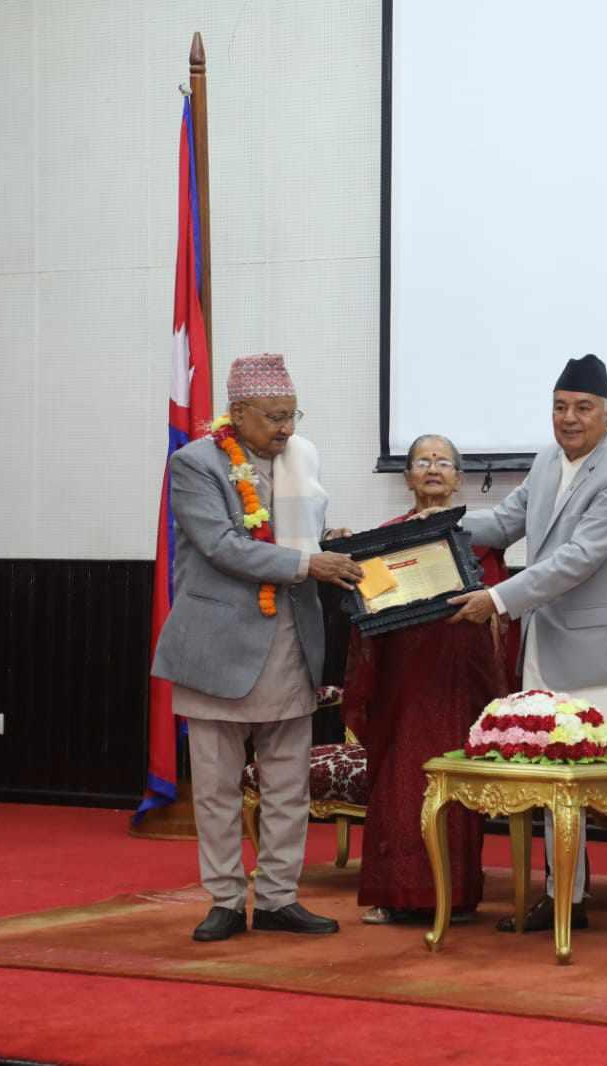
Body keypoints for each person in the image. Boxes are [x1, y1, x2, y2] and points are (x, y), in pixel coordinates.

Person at [447, 354, 607, 941]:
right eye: (560, 407)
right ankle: (561, 893)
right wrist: (428, 528)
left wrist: (496, 600)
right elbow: (505, 521)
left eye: (583, 408)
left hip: (606, 657)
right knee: (550, 778)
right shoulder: (548, 461)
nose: (569, 419)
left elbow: (575, 562)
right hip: (547, 650)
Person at [150, 353, 363, 943]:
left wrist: (329, 542)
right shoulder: (195, 464)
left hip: (290, 644)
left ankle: (277, 898)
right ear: (237, 413)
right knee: (217, 789)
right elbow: (222, 545)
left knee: (289, 784)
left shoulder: (300, 461)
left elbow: (298, 537)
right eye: (274, 418)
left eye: (292, 416)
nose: (286, 430)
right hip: (216, 649)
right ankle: (223, 899)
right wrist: (308, 561)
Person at [344, 434, 513, 925]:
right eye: (422, 461)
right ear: (407, 477)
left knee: (452, 774)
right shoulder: (385, 539)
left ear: (459, 478)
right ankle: (394, 893)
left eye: (443, 462)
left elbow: (501, 608)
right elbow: (368, 613)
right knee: (400, 778)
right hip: (403, 678)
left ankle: (455, 896)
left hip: (459, 677)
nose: (433, 469)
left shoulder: (479, 539)